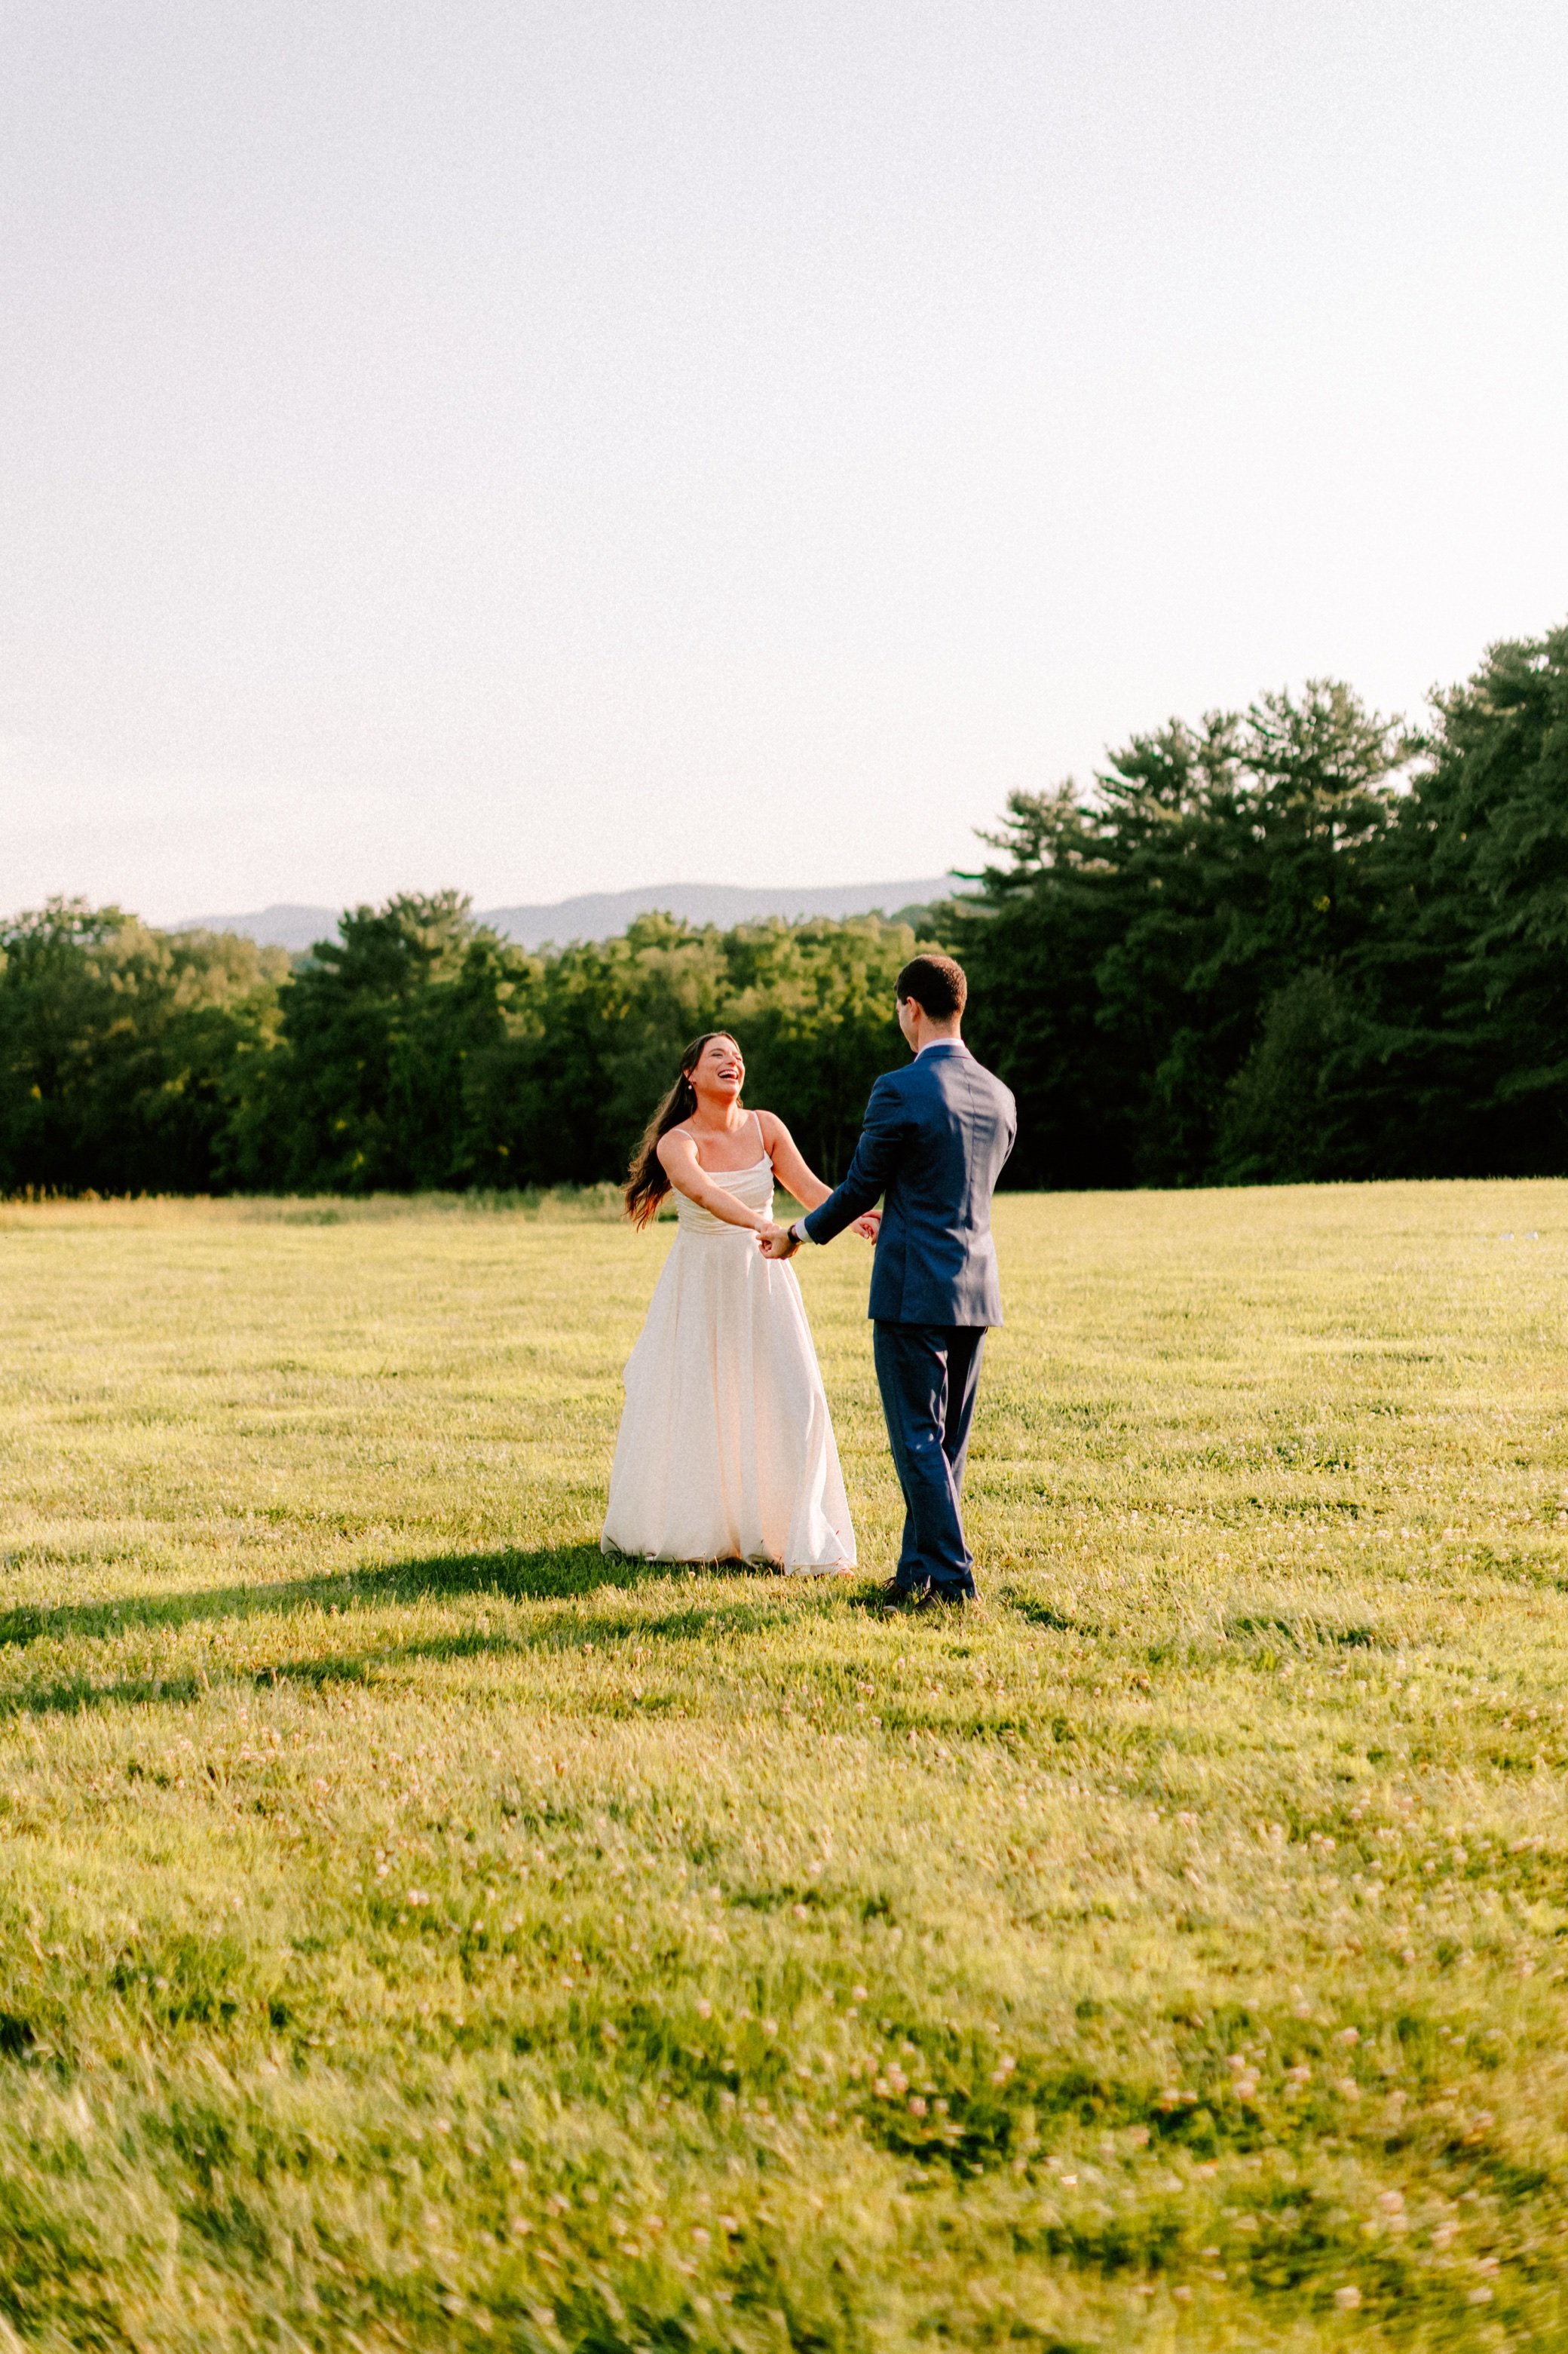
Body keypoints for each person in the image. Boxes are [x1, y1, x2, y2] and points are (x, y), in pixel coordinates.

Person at [761, 954, 1015, 1608]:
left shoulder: (898, 1088)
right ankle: (915, 1575)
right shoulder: (1000, 1095)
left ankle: (953, 1580)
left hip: (911, 1287)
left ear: (911, 1007)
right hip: (976, 1288)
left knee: (917, 1439)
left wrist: (797, 1234)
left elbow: (859, 1188)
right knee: (945, 1444)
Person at [601, 1030, 872, 1572]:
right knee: (702, 1403)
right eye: (718, 1056)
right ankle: (704, 1529)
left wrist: (854, 1215)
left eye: (738, 1056)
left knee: (794, 1396)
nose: (733, 1062)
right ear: (690, 1075)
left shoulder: (766, 1126)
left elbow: (808, 1187)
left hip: (764, 1280)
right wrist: (765, 1226)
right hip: (701, 1285)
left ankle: (791, 1530)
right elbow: (705, 1194)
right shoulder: (676, 1142)